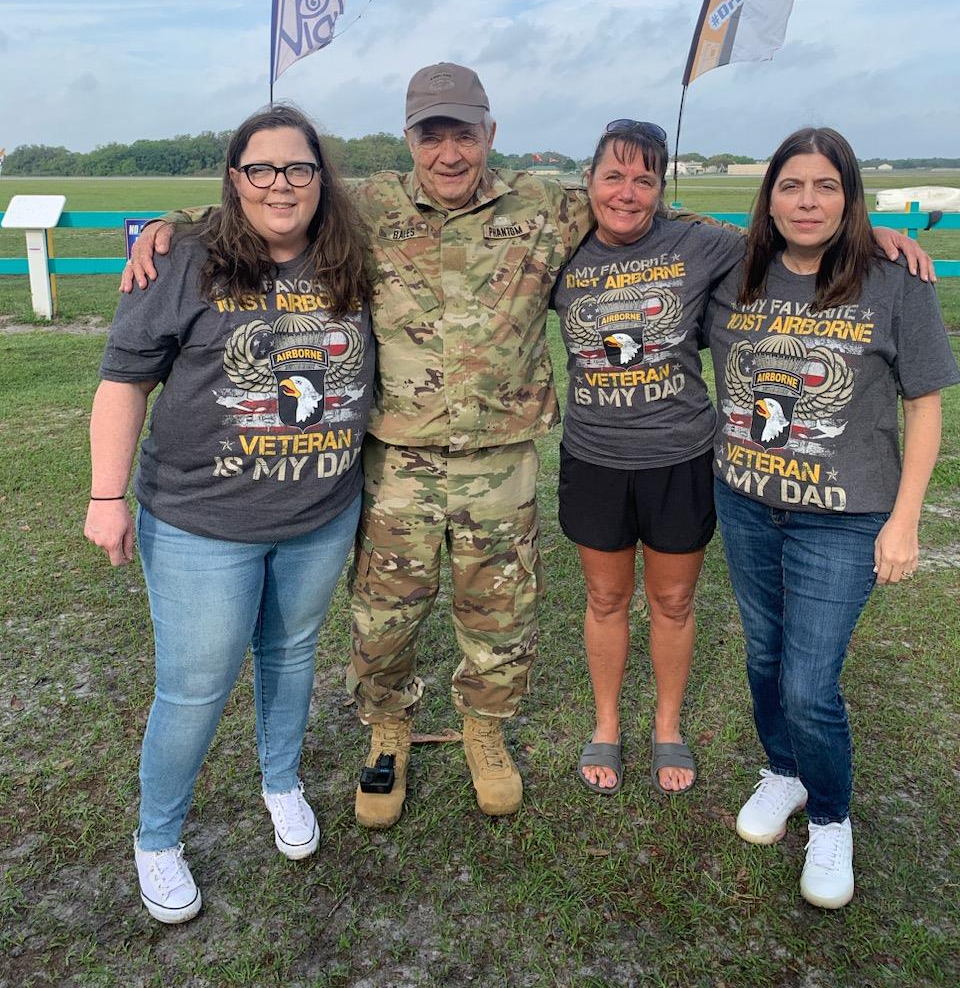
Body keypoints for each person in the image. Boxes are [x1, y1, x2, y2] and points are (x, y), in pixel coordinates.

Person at [126, 69, 932, 831]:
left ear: (490, 133)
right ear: (409, 137)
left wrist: (870, 232)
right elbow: (270, 196)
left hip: (503, 460)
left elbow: (680, 218)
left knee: (499, 613)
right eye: (432, 135)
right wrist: (170, 228)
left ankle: (485, 731)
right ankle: (387, 735)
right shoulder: (358, 204)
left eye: (465, 135)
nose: (450, 152)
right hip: (398, 458)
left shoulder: (550, 206)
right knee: (384, 614)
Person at [85, 105, 374, 923]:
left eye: (299, 169)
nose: (281, 185)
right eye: (261, 169)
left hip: (319, 515)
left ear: (323, 178)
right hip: (201, 526)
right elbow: (123, 382)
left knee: (290, 656)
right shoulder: (185, 260)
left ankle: (280, 783)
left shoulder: (351, 257)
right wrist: (107, 496)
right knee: (195, 687)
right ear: (235, 178)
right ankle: (158, 836)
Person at [707, 127, 958, 909]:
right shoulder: (734, 269)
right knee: (763, 656)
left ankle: (831, 815)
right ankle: (781, 771)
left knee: (810, 682)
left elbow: (923, 405)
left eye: (825, 187)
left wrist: (906, 520)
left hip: (845, 517)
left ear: (849, 196)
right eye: (791, 186)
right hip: (747, 500)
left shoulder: (895, 280)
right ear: (769, 196)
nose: (807, 202)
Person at [552, 120, 745, 796]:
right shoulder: (561, 247)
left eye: (644, 179)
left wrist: (880, 235)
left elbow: (795, 241)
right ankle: (606, 723)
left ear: (661, 188)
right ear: (590, 178)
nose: (627, 193)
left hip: (679, 455)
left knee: (674, 598)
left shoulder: (701, 240)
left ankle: (668, 727)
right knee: (606, 596)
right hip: (595, 456)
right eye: (615, 175)